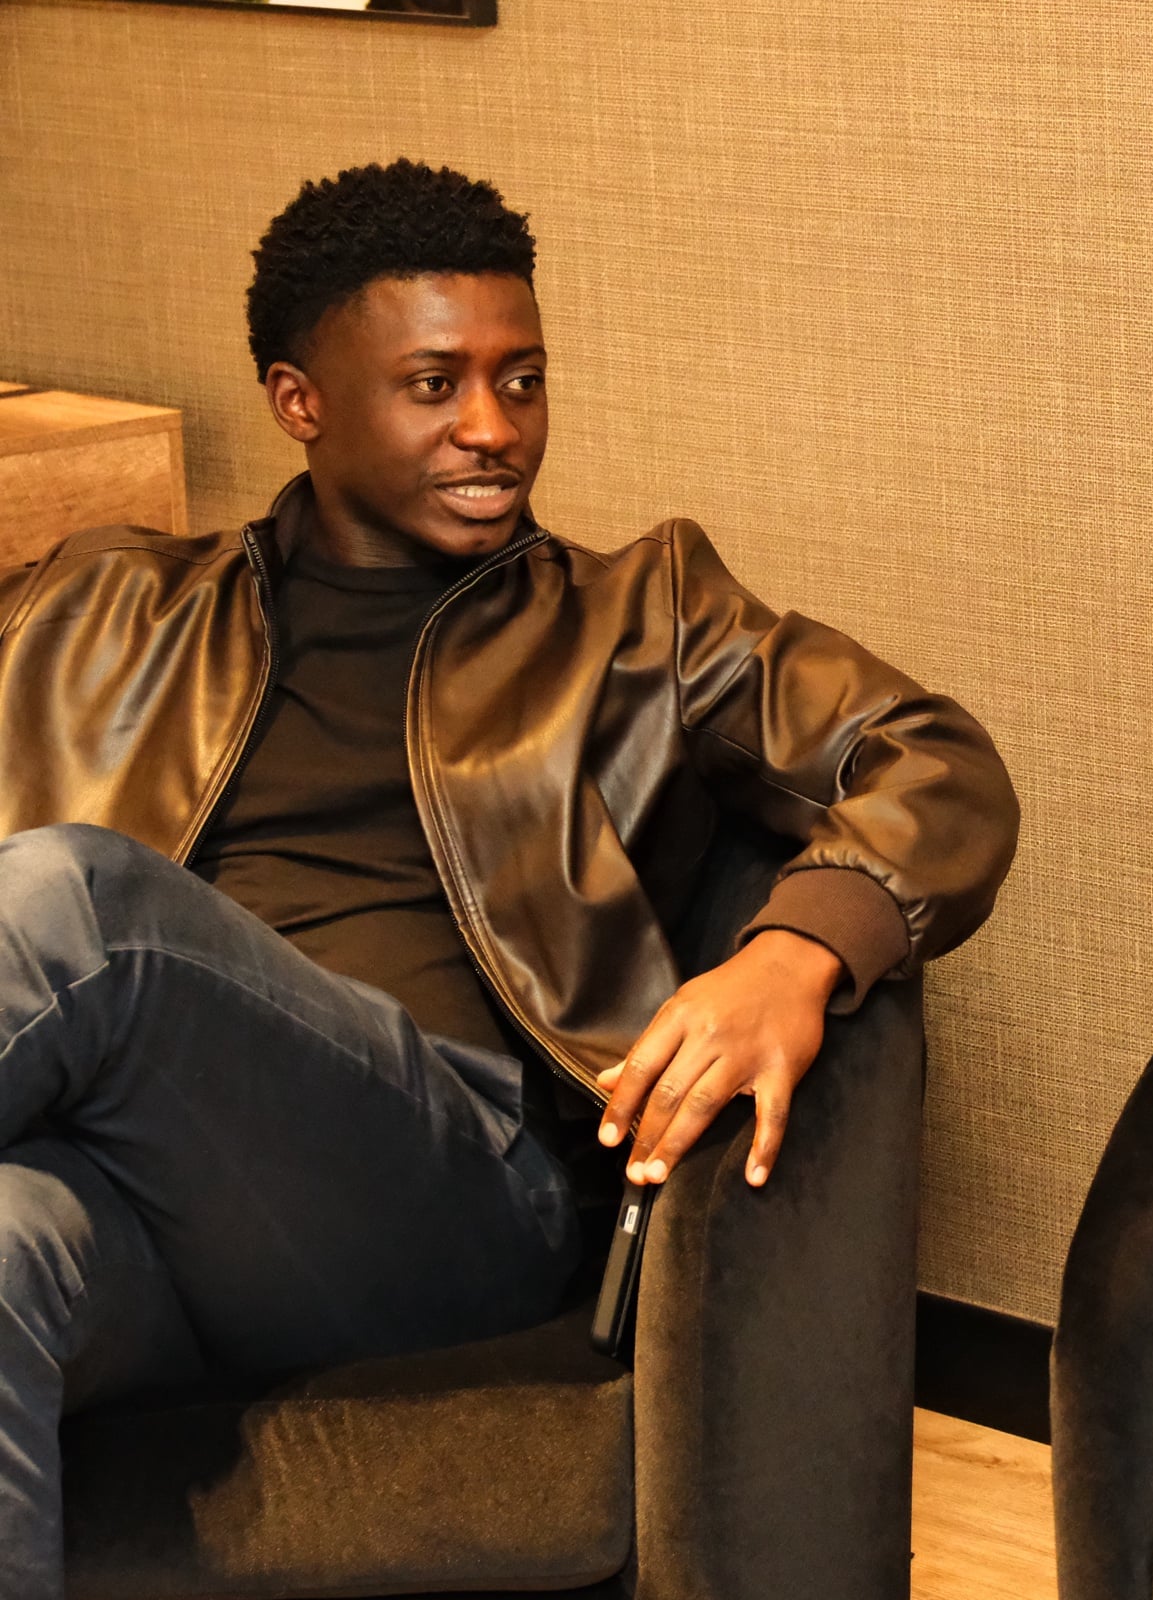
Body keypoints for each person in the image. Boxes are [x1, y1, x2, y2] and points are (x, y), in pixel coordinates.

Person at [0, 160, 1018, 1596]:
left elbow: (932, 758)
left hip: (452, 1185)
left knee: (81, 911)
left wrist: (799, 951)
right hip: (155, 1187)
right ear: (302, 402)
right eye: (435, 385)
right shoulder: (95, 609)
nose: (494, 428)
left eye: (522, 380)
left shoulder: (635, 616)